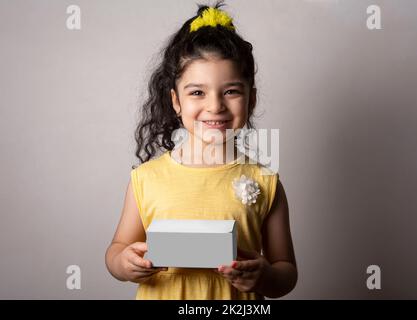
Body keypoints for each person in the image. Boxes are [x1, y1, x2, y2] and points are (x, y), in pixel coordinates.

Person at [105, 1, 297, 300]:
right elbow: (117, 250)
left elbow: (286, 271)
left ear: (252, 99)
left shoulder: (266, 182)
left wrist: (266, 276)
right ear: (176, 101)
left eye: (231, 91)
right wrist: (123, 263)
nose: (215, 106)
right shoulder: (146, 178)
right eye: (197, 92)